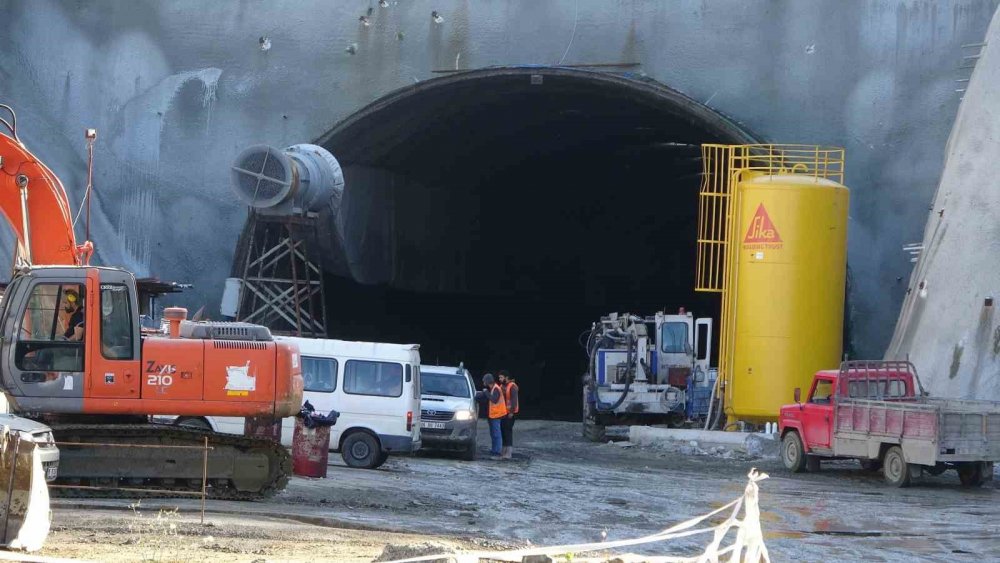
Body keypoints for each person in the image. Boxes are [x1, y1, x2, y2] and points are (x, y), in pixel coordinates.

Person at [475, 373, 507, 459]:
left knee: (497, 434)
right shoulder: (493, 388)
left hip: (497, 415)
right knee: (493, 434)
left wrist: (486, 392)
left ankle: (497, 452)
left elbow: (494, 400)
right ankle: (494, 450)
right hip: (493, 415)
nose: (483, 383)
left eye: (484, 381)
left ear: (487, 381)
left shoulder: (496, 389)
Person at [498, 370, 519, 460]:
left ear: (506, 377)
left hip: (510, 413)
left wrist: (511, 412)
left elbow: (514, 401)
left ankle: (508, 453)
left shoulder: (512, 386)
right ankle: (504, 452)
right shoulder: (502, 386)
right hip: (503, 413)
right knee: (503, 431)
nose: (499, 379)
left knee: (508, 432)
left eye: (501, 377)